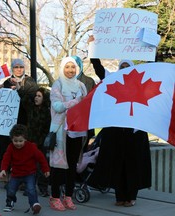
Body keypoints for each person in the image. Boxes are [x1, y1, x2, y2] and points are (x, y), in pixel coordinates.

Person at [87, 35, 152, 207]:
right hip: (116, 132)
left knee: (133, 165)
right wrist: (93, 47)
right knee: (117, 164)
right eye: (122, 66)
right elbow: (98, 68)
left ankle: (131, 196)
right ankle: (120, 197)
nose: (124, 69)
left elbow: (153, 68)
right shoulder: (112, 79)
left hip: (135, 132)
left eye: (127, 66)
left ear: (131, 68)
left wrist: (153, 47)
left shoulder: (141, 82)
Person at [48, 56, 87, 211]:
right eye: (67, 67)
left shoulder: (81, 86)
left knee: (72, 165)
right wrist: (76, 101)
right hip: (60, 131)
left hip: (77, 131)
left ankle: (68, 196)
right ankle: (55, 197)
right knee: (58, 166)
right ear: (62, 68)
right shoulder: (57, 85)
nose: (70, 70)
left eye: (73, 67)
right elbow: (57, 107)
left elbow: (86, 105)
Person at [0, 124, 50, 214]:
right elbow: (6, 158)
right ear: (11, 139)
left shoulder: (31, 147)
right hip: (16, 173)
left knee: (31, 189)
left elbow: (41, 158)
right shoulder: (11, 147)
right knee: (10, 189)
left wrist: (46, 169)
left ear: (25, 139)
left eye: (20, 141)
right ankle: (10, 203)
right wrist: (3, 169)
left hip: (29, 173)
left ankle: (34, 204)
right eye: (15, 141)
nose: (18, 143)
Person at [26, 87, 51, 197]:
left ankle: (43, 188)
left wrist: (40, 142)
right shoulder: (31, 109)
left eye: (39, 96)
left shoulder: (47, 112)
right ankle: (29, 188)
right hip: (31, 142)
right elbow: (24, 98)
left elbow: (46, 129)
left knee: (42, 166)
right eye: (36, 96)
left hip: (41, 144)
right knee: (30, 166)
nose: (36, 98)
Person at [3, 59, 38, 125]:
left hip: (26, 119)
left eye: (21, 67)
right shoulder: (7, 82)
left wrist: (19, 89)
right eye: (16, 67)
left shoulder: (30, 82)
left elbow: (31, 101)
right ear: (12, 68)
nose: (19, 69)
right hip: (9, 120)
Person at [72, 55, 96, 151]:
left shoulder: (89, 81)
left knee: (82, 148)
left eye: (75, 66)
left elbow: (93, 100)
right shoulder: (63, 82)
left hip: (84, 119)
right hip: (69, 119)